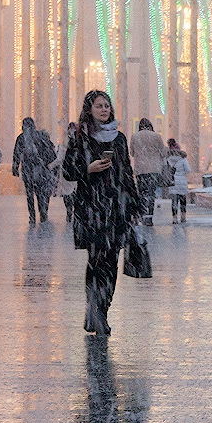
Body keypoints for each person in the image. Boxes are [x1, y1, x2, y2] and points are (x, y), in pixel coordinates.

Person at [63, 91, 141, 336]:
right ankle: (94, 310)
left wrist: (134, 206)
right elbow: (67, 171)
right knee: (96, 261)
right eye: (99, 106)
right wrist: (88, 168)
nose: (104, 109)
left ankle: (101, 309)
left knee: (111, 263)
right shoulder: (80, 137)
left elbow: (126, 172)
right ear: (90, 109)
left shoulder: (118, 139)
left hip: (116, 209)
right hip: (91, 208)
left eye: (107, 106)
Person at [12, 117, 58, 225]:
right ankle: (40, 213)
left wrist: (15, 167)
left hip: (33, 169)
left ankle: (35, 215)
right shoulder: (32, 137)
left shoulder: (24, 138)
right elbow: (17, 153)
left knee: (33, 194)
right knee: (37, 193)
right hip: (35, 170)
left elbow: (16, 154)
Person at [130, 118, 167, 226]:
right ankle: (150, 218)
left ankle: (142, 215)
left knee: (142, 194)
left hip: (140, 169)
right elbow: (163, 152)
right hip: (154, 169)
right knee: (151, 194)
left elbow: (132, 152)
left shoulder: (135, 136)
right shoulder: (156, 136)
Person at [164, 138, 191, 223]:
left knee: (174, 201)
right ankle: (183, 217)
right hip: (182, 182)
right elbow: (188, 170)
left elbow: (165, 170)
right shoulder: (183, 159)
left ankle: (174, 218)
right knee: (183, 200)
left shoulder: (168, 159)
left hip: (173, 182)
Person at [58, 122, 78, 222]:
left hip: (66, 171)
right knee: (74, 190)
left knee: (66, 192)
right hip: (77, 170)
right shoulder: (80, 141)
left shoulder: (65, 141)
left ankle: (69, 209)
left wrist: (50, 166)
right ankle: (74, 207)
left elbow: (59, 158)